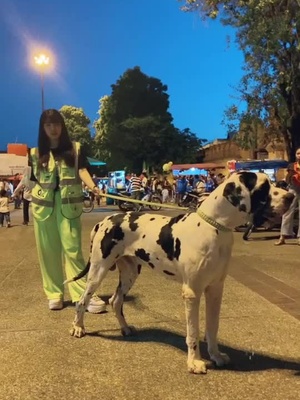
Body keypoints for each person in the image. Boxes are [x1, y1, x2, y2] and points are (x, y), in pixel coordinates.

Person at [29, 109, 106, 311]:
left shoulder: (75, 148)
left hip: (68, 207)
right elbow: (32, 180)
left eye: (56, 124)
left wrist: (94, 188)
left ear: (62, 126)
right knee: (48, 252)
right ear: (42, 128)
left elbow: (82, 171)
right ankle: (54, 294)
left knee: (72, 250)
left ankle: (82, 294)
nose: (53, 129)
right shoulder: (35, 153)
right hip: (43, 210)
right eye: (48, 125)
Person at [275, 147, 300, 246]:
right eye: (298, 153)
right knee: (287, 212)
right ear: (295, 155)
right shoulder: (291, 166)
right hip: (293, 189)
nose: (299, 155)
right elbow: (287, 178)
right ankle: (283, 236)